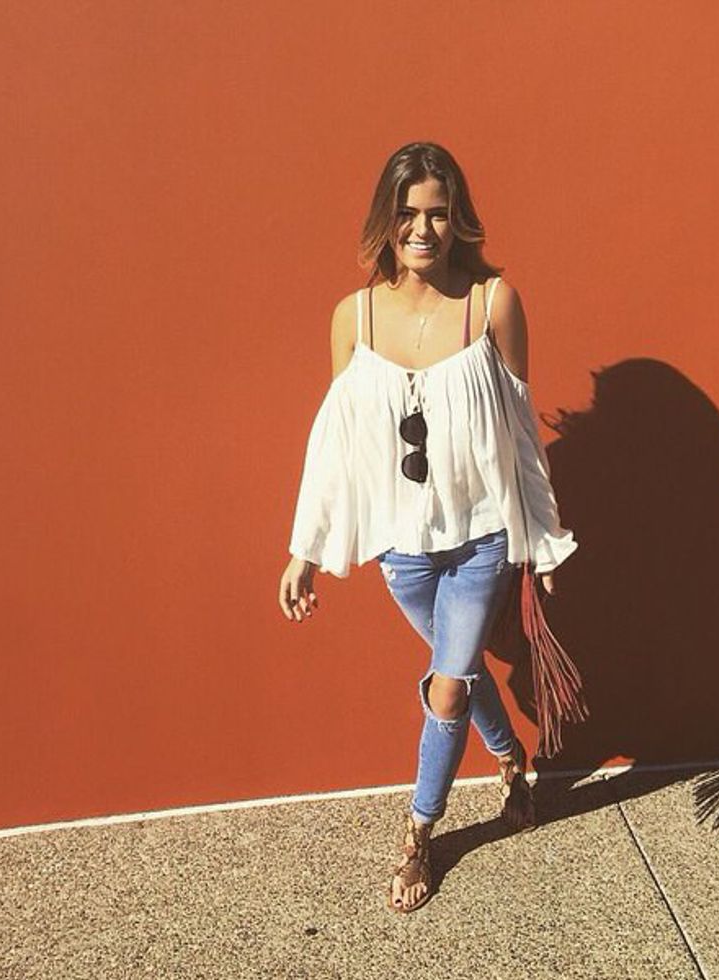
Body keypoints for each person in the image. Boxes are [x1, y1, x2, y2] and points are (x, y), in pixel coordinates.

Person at [278, 142, 578, 913]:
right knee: (460, 670)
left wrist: (543, 539)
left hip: (481, 540)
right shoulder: (354, 318)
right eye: (408, 213)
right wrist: (305, 549)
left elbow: (521, 438)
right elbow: (336, 444)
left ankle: (420, 834)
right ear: (385, 220)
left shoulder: (492, 304)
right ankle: (509, 760)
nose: (422, 229)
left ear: (459, 219)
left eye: (438, 213)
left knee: (446, 691)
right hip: (402, 553)